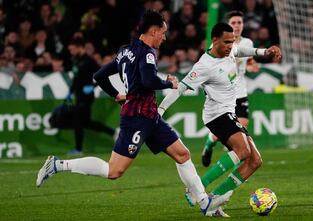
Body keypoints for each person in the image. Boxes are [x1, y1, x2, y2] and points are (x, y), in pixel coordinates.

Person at [36, 10, 229, 217]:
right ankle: (57, 165)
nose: (164, 38)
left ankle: (204, 203)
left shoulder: (125, 50)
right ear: (153, 31)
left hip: (150, 116)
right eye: (163, 33)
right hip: (137, 119)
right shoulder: (147, 53)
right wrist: (168, 83)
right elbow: (148, 80)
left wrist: (117, 95)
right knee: (114, 171)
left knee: (182, 154)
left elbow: (100, 75)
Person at [158, 22, 281, 214]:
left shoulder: (229, 50)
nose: (230, 46)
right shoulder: (204, 65)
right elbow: (181, 88)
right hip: (216, 114)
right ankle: (196, 188)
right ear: (214, 40)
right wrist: (160, 110)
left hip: (228, 112)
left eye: (231, 42)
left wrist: (265, 52)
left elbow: (241, 50)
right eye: (226, 42)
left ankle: (213, 201)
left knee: (255, 161)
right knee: (242, 151)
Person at [201, 10, 260, 167]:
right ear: (228, 25)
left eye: (239, 22)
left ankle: (235, 166)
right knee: (222, 135)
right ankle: (209, 144)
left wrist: (252, 65)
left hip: (240, 93)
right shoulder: (219, 44)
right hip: (224, 97)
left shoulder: (247, 43)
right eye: (233, 23)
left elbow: (249, 61)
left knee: (241, 129)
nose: (237, 25)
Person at [66, 37, 115, 155]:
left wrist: (92, 86)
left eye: (72, 49)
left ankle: (78, 149)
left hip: (87, 96)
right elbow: (76, 78)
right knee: (86, 122)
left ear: (80, 47)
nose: (71, 52)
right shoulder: (76, 60)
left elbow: (101, 75)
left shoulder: (89, 61)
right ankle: (112, 132)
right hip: (78, 95)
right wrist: (70, 92)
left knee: (77, 121)